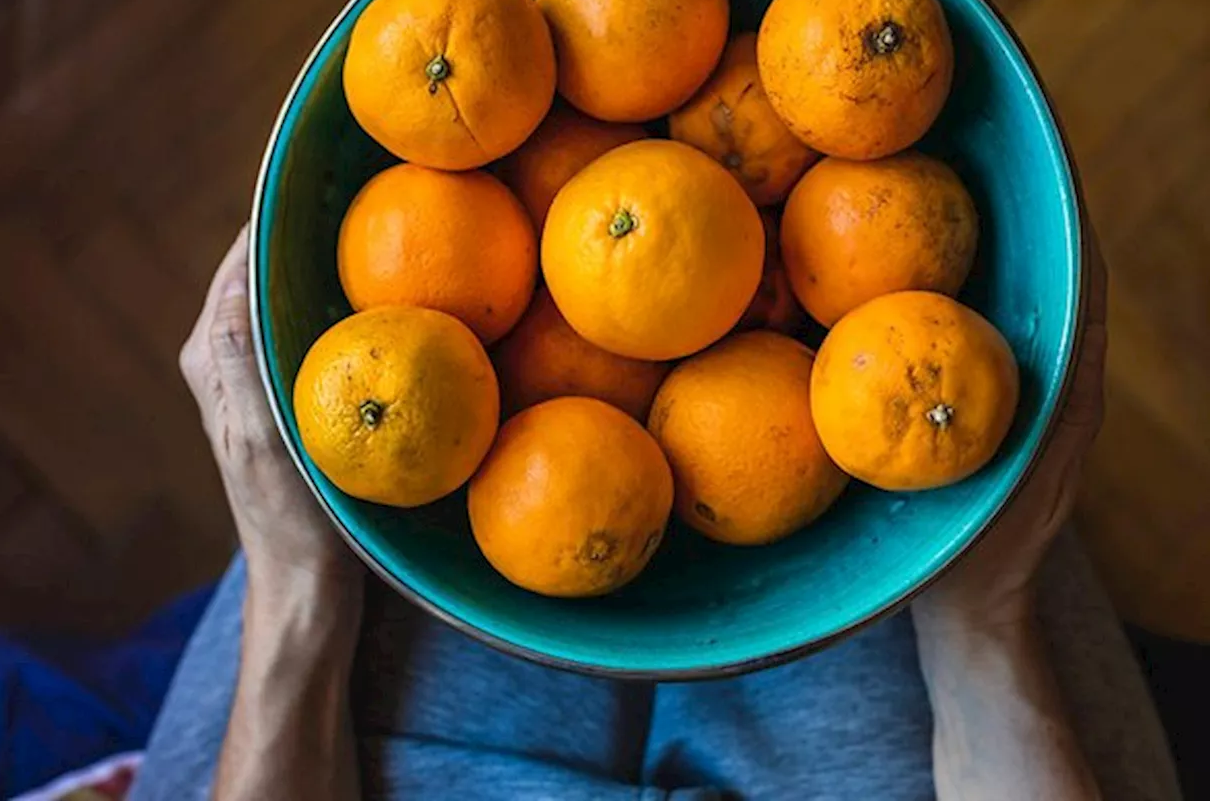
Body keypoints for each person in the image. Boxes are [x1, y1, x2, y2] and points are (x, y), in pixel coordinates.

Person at [130, 225, 1181, 801]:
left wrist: (299, 589)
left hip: (379, 751)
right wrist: (980, 624)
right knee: (927, 462)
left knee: (409, 432)